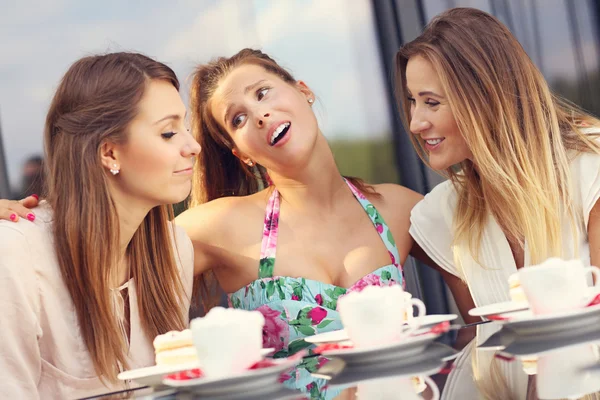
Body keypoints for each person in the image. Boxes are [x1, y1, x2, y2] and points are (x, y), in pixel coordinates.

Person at [396, 7, 600, 399]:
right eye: (411, 101)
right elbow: (480, 344)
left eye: (431, 102)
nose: (415, 122)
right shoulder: (444, 214)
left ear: (484, 97)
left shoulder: (590, 171)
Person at [0, 52, 200, 399]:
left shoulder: (174, 247)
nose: (192, 146)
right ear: (109, 153)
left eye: (185, 126)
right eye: (169, 133)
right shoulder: (16, 256)